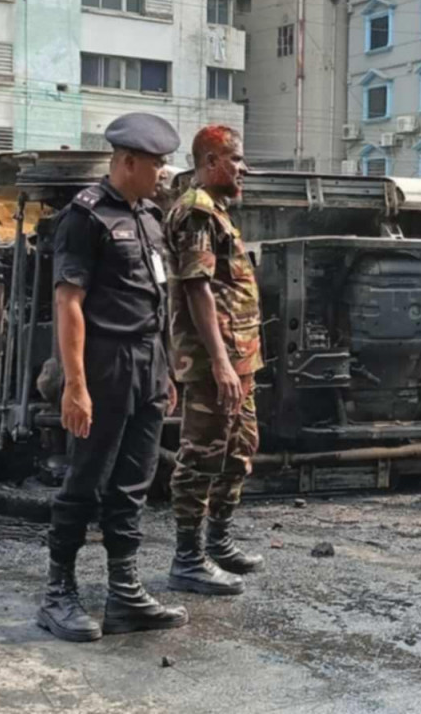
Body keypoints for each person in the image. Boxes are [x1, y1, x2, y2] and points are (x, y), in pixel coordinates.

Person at [38, 111, 188, 644]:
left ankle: (124, 590)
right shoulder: (86, 216)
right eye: (156, 163)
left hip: (147, 365)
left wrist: (165, 369)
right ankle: (59, 592)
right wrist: (75, 384)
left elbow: (155, 298)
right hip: (103, 365)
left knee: (133, 482)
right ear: (127, 161)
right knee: (84, 480)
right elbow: (69, 302)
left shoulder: (148, 216)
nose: (163, 173)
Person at [165, 125, 263, 596]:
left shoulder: (219, 212)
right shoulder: (196, 212)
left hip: (240, 359)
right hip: (213, 363)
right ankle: (187, 559)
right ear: (209, 162)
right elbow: (196, 289)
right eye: (236, 159)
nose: (243, 169)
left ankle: (218, 542)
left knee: (240, 449)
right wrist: (221, 362)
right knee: (202, 455)